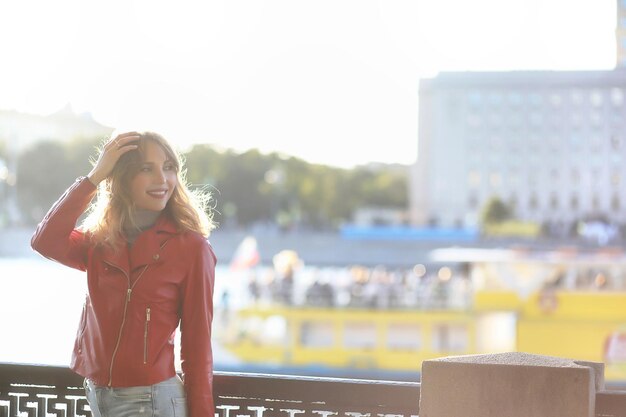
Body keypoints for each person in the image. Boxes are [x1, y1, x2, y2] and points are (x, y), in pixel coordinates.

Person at [31, 131, 217, 417]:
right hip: (97, 394)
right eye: (147, 169)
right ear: (123, 178)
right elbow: (45, 241)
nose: (162, 180)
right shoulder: (101, 241)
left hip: (152, 401)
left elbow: (198, 344)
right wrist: (93, 178)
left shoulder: (191, 248)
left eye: (169, 168)